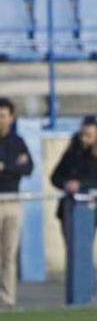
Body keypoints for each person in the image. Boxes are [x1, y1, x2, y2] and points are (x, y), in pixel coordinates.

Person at [50, 115, 97, 240]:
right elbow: (55, 177)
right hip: (68, 209)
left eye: (89, 135)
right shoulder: (72, 153)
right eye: (83, 134)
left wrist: (81, 185)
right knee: (71, 248)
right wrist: (66, 184)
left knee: (84, 248)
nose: (84, 138)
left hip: (90, 209)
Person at [0, 97, 33, 309]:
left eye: (3, 116)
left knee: (9, 253)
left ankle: (8, 298)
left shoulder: (17, 142)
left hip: (12, 200)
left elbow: (28, 168)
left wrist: (6, 167)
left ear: (11, 118)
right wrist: (14, 166)